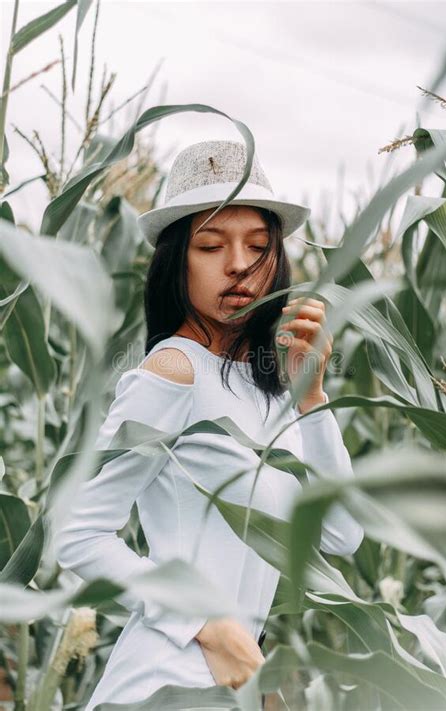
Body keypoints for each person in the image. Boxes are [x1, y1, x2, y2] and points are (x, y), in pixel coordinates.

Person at [53, 139, 364, 710]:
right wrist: (211, 626)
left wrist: (311, 397)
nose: (239, 264)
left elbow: (342, 535)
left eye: (258, 245)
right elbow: (75, 532)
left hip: (234, 686)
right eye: (211, 245)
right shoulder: (174, 369)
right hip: (165, 683)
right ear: (178, 261)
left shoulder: (268, 384)